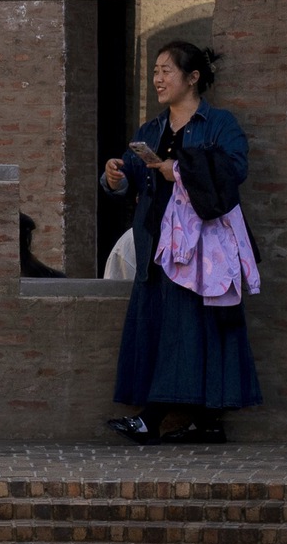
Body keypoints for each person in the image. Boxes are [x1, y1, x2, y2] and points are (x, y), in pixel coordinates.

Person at [102, 39, 260, 444]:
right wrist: (115, 178)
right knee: (167, 327)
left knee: (194, 328)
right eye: (155, 70)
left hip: (200, 250)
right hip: (156, 243)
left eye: (166, 70)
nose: (157, 78)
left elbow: (235, 169)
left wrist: (181, 170)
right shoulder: (151, 129)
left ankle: (155, 418)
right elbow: (131, 178)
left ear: (192, 78)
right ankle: (206, 422)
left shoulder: (219, 124)